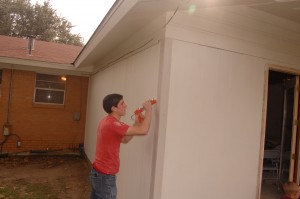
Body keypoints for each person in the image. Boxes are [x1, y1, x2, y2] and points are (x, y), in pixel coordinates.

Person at [89, 93, 153, 199]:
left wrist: (136, 124)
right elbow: (144, 130)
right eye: (122, 103)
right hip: (104, 176)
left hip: (98, 174)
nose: (126, 105)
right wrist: (149, 110)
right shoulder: (112, 124)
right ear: (114, 108)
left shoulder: (107, 121)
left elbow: (124, 140)